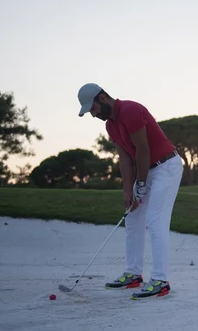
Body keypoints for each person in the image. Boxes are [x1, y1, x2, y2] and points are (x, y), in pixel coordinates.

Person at [77, 82, 183, 299]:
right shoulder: (110, 126)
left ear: (103, 98)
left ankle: (161, 280)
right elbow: (125, 159)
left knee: (155, 221)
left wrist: (141, 185)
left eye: (93, 109)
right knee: (133, 218)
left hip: (166, 167)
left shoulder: (131, 110)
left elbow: (143, 150)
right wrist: (128, 191)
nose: (93, 114)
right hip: (148, 170)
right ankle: (134, 274)